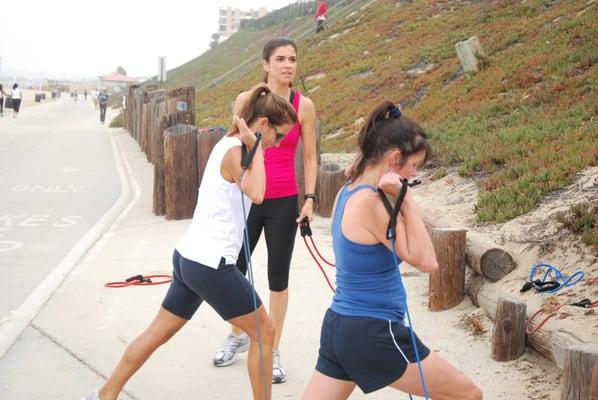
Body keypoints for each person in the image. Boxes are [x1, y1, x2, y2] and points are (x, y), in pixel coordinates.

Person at [82, 83, 298, 400]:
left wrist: (256, 147)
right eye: (279, 136)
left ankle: (104, 395)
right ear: (263, 125)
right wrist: (258, 150)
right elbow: (258, 193)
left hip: (189, 259)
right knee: (265, 331)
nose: (279, 144)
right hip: (210, 265)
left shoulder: (227, 144)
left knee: (158, 332)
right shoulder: (238, 152)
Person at [301, 101, 483, 400]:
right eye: (413, 167)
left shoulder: (348, 189)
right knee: (468, 395)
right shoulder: (373, 204)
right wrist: (407, 199)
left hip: (339, 326)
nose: (412, 175)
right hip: (373, 331)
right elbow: (427, 261)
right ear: (395, 158)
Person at [212, 37, 318, 385]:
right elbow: (232, 146)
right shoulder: (247, 100)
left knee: (278, 278)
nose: (288, 65)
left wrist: (310, 198)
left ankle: (271, 349)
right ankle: (238, 333)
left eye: (293, 59)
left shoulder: (304, 106)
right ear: (265, 64)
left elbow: (310, 157)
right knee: (234, 269)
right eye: (280, 59)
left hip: (284, 200)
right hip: (247, 199)